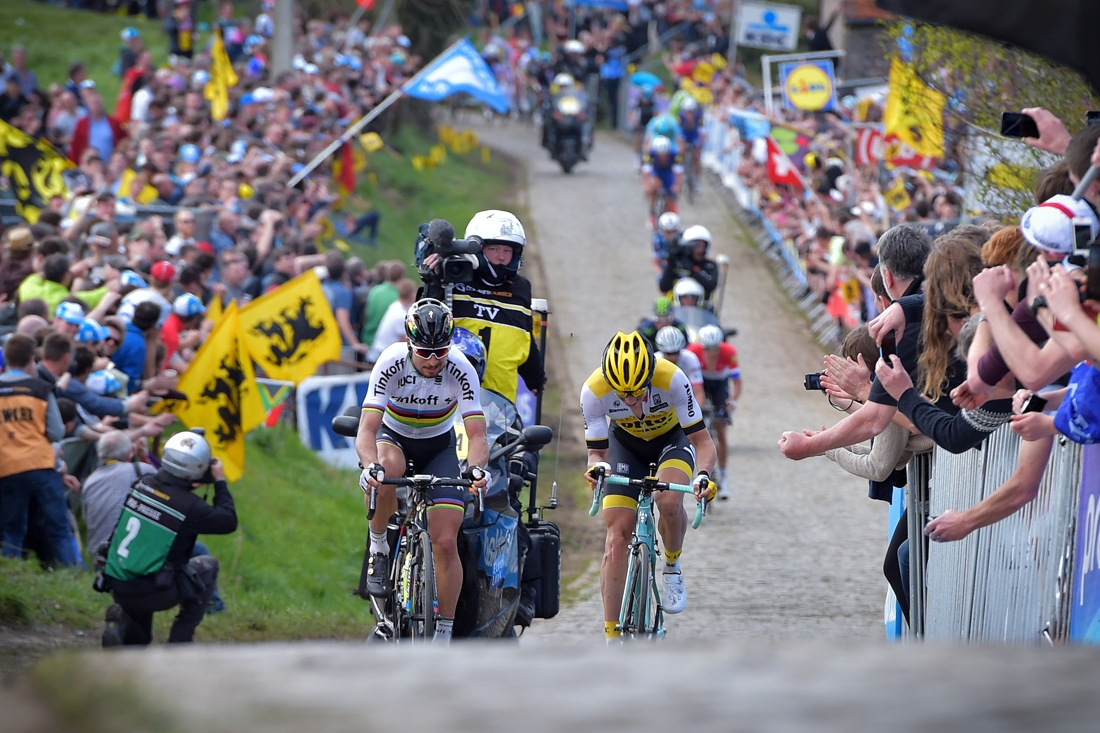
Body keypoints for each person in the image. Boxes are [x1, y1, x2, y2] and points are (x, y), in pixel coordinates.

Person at [355, 299, 490, 644]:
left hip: (438, 445)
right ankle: (379, 546)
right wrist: (370, 466)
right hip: (394, 438)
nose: (433, 361)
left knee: (445, 541)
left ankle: (443, 631)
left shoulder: (460, 367)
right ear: (409, 344)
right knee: (386, 471)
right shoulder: (390, 362)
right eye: (424, 353)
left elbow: (476, 434)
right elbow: (367, 431)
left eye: (440, 352)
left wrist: (476, 470)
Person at [581, 331, 716, 640]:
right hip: (625, 446)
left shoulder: (672, 379)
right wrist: (596, 468)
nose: (631, 401)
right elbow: (597, 453)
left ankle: (671, 565)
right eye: (623, 394)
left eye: (638, 392)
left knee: (668, 501)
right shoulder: (593, 390)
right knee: (616, 538)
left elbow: (702, 442)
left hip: (671, 441)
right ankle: (611, 635)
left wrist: (704, 475)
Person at [100, 430, 235, 646]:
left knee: (140, 642)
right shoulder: (189, 506)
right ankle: (179, 641)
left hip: (118, 584)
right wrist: (219, 481)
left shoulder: (142, 484)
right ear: (197, 470)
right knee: (208, 566)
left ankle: (122, 624)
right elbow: (228, 521)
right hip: (154, 592)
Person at [423, 210, 546, 403]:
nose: (501, 257)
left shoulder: (521, 288)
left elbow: (523, 336)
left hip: (502, 408)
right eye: (494, 249)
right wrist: (433, 285)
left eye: (507, 251)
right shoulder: (453, 279)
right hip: (450, 406)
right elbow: (426, 327)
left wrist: (535, 376)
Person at [0, 334, 77, 566]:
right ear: (31, 359)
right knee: (60, 527)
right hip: (40, 464)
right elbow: (57, 432)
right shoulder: (41, 388)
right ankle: (73, 574)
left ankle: (11, 572)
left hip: (8, 465)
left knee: (13, 529)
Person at [82, 431, 157, 556]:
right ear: (130, 452)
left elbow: (87, 518)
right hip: (133, 554)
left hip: (100, 556)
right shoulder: (143, 470)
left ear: (100, 454)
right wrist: (144, 457)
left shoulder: (90, 481)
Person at [687, 325, 740, 499]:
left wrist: (731, 400)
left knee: (721, 430)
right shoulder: (692, 351)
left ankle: (723, 478)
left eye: (714, 348)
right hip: (699, 382)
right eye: (707, 349)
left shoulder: (728, 352)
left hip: (719, 385)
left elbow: (737, 382)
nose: (711, 352)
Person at [659, 225, 720, 303]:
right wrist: (672, 264)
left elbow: (711, 285)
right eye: (696, 243)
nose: (699, 247)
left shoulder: (710, 266)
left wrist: (692, 270)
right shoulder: (678, 264)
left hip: (702, 310)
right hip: (676, 309)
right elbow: (664, 287)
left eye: (702, 244)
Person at [654, 325, 704, 406]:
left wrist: (699, 414)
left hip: (686, 394)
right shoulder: (654, 361)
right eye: (669, 354)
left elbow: (698, 391)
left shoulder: (690, 358)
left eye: (676, 352)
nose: (673, 357)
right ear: (661, 351)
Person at [642, 136, 683, 231]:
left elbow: (679, 173)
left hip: (669, 173)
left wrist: (677, 186)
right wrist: (646, 185)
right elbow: (646, 173)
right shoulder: (650, 155)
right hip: (657, 172)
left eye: (665, 154)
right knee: (653, 186)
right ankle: (652, 214)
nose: (663, 157)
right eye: (660, 154)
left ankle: (670, 218)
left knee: (671, 196)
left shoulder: (675, 155)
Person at [652, 212, 681, 276]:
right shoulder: (658, 239)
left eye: (673, 232)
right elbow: (656, 260)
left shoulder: (683, 237)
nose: (670, 235)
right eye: (667, 232)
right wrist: (660, 274)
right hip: (665, 269)